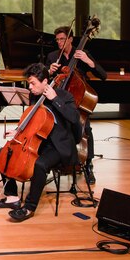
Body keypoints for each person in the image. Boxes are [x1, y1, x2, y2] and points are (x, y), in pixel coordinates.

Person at [0, 62, 82, 221]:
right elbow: (33, 122)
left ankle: (29, 208)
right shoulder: (34, 96)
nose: (30, 87)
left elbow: (74, 119)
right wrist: (18, 131)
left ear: (45, 81)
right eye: (29, 83)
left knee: (40, 164)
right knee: (2, 153)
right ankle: (12, 197)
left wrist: (55, 100)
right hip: (39, 142)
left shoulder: (64, 96)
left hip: (59, 146)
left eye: (32, 83)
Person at [46, 25, 106, 185]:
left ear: (71, 39)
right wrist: (49, 72)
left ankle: (88, 165)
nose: (59, 42)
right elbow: (45, 80)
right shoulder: (53, 57)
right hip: (58, 100)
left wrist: (88, 61)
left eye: (62, 39)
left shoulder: (81, 54)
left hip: (78, 100)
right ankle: (57, 161)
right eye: (57, 39)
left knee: (86, 129)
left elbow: (103, 75)